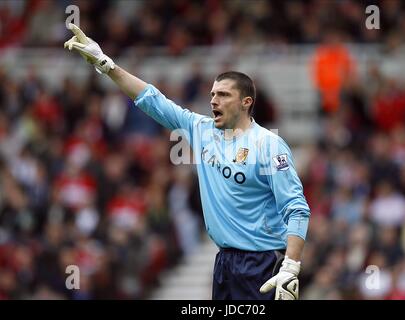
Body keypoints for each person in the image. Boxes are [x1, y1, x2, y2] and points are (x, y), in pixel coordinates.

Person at [64, 23, 311, 300]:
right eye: (212, 94)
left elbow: (297, 208)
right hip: (225, 263)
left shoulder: (269, 145)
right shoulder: (201, 130)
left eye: (223, 95)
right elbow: (152, 100)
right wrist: (106, 64)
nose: (214, 100)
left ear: (246, 102)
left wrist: (291, 266)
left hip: (261, 264)